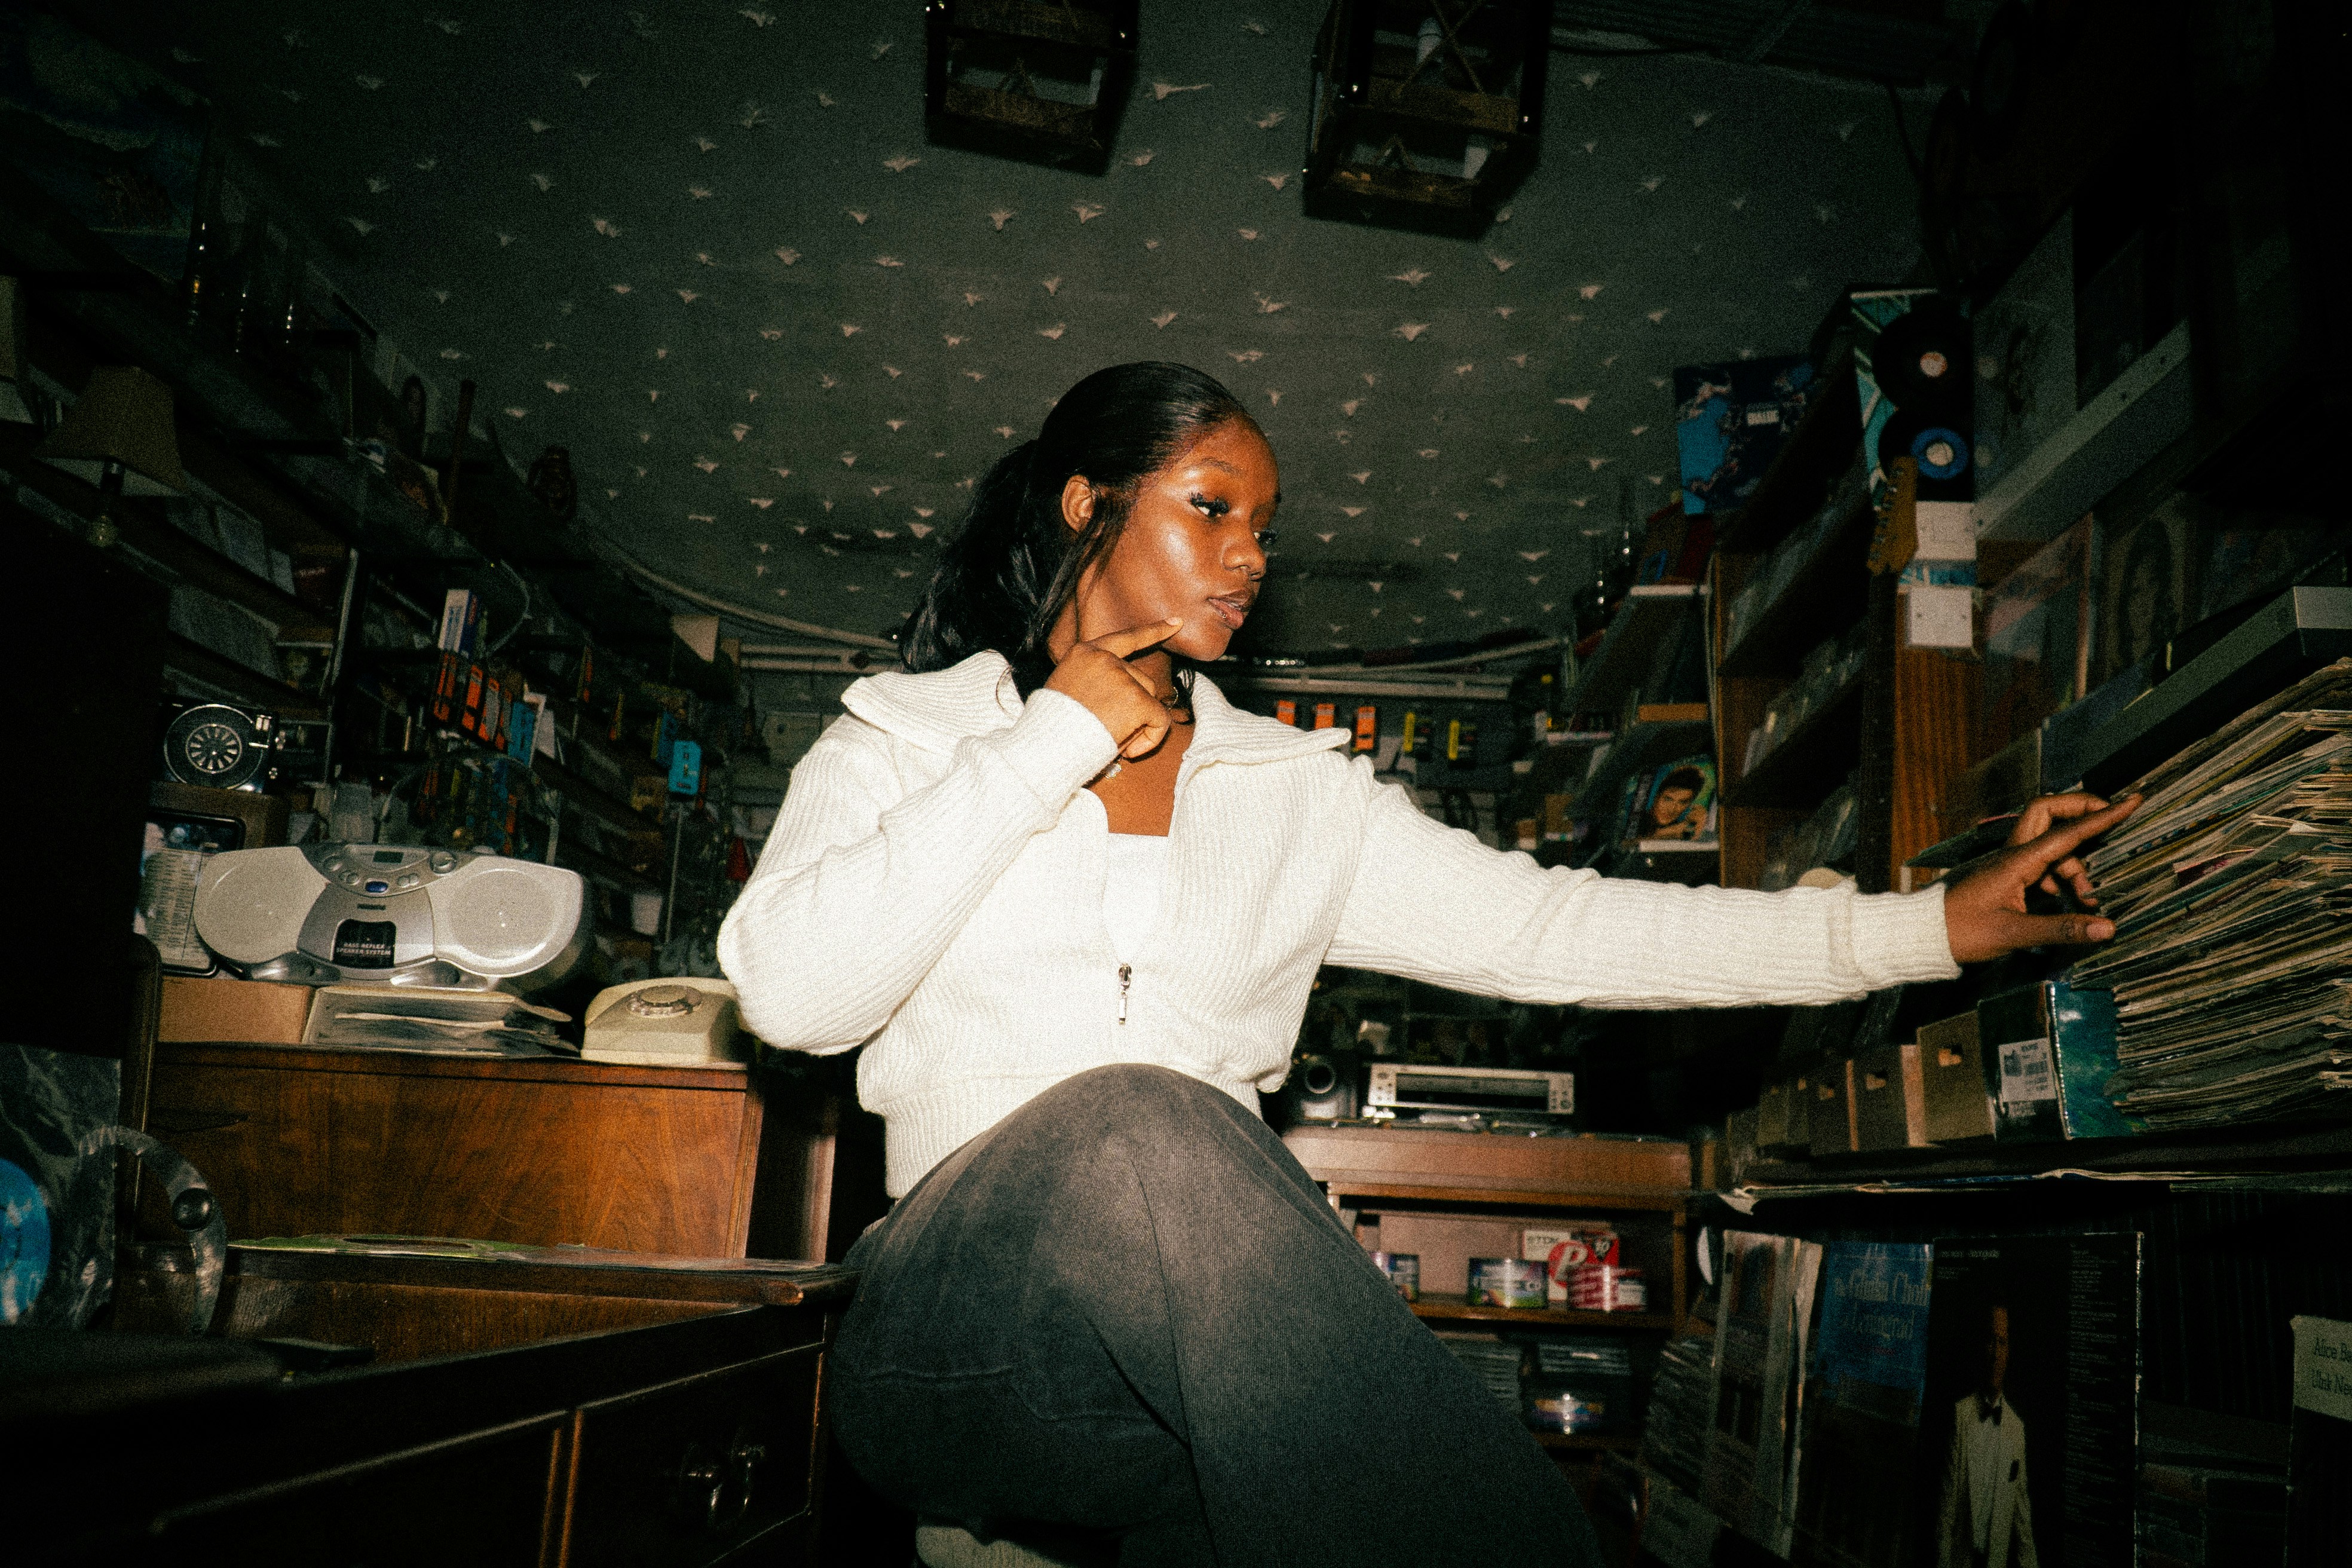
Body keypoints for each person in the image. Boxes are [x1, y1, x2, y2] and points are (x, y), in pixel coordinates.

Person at [716, 362, 2134, 1566]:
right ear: (1087, 503)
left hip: (1177, 1393)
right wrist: (1052, 737)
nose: (1251, 555)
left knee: (1212, 1241)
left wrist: (1930, 926)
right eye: (1212, 506)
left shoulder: (1297, 792)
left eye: (1265, 526)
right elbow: (790, 993)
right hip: (956, 1340)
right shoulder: (903, 739)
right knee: (1143, 1114)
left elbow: (1564, 928)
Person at [1936, 1304, 2038, 1568]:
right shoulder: (1961, 1416)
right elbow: (1946, 1512)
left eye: (2002, 1343)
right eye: (1991, 1341)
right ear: (1982, 1347)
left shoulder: (2016, 1429)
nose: (1995, 1354)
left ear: (2008, 1351)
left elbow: (2023, 1522)